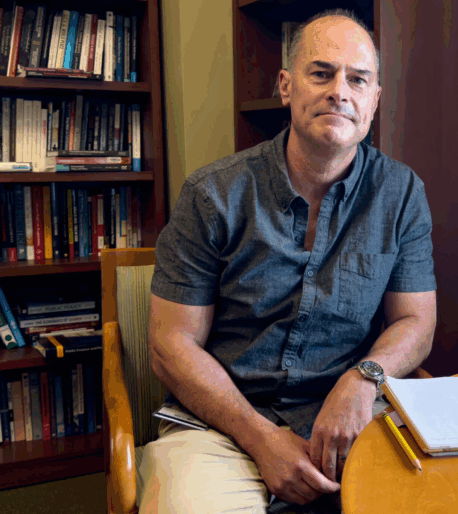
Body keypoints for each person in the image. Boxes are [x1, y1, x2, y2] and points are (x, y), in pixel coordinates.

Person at [138, 9, 437, 514]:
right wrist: (261, 438)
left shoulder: (401, 193)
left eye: (358, 79)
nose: (340, 91)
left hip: (353, 418)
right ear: (285, 86)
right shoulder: (212, 194)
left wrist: (362, 379)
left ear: (374, 99)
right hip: (225, 425)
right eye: (321, 73)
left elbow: (417, 322)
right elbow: (171, 345)